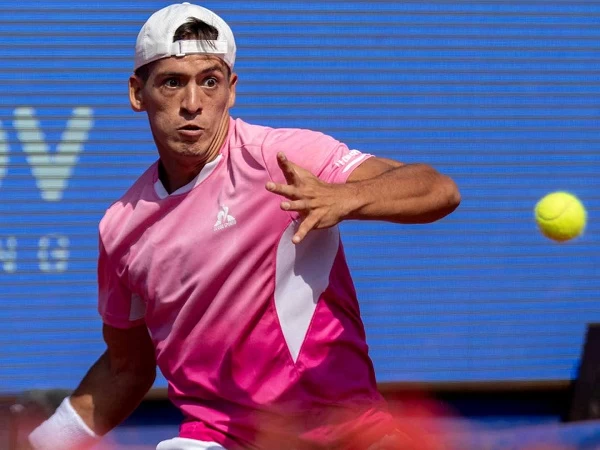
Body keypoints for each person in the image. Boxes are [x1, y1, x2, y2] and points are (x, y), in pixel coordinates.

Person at [23, 3, 460, 450]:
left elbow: (438, 190)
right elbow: (125, 369)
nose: (192, 103)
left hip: (348, 435)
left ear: (231, 90)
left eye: (209, 81)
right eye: (172, 82)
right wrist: (38, 444)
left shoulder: (281, 159)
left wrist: (345, 198)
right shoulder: (121, 229)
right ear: (138, 93)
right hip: (218, 440)